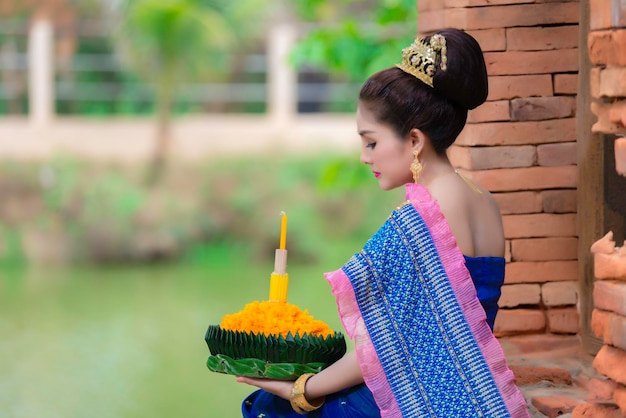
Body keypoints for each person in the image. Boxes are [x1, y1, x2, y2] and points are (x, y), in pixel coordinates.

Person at [236, 28, 530, 417]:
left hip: (418, 399)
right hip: (474, 394)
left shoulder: (419, 218)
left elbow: (382, 348)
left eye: (371, 142)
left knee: (266, 407)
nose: (364, 156)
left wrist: (300, 390)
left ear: (413, 141)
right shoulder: (483, 200)